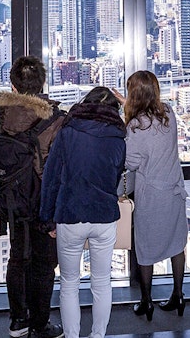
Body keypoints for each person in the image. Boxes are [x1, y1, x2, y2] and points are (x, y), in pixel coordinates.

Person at [0, 55, 66, 338]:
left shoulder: (2, 115)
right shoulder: (55, 118)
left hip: (12, 201)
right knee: (43, 265)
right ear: (41, 84)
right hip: (43, 201)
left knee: (18, 259)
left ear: (13, 88)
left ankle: (18, 321)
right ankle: (40, 323)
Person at [39, 86, 126, 338]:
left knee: (69, 283)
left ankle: (72, 335)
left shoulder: (68, 132)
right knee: (101, 281)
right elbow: (116, 178)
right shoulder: (118, 137)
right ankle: (98, 335)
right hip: (104, 214)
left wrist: (48, 220)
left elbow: (51, 178)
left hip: (70, 213)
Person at [117, 70, 189, 319]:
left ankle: (146, 301)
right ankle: (178, 295)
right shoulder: (168, 113)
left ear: (133, 94)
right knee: (176, 243)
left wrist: (125, 115)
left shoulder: (136, 127)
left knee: (146, 247)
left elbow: (130, 161)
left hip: (152, 196)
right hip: (175, 190)